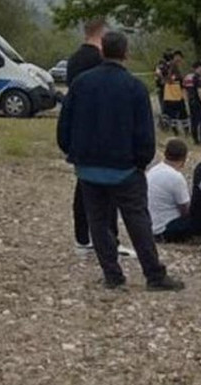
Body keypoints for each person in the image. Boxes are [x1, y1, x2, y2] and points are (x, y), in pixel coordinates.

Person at [58, 31, 184, 292]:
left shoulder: (81, 83)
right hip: (125, 168)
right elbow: (145, 133)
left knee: (98, 222)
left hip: (88, 167)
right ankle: (154, 275)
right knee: (138, 221)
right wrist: (141, 162)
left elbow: (64, 125)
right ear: (126, 53)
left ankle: (112, 275)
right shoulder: (135, 87)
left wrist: (74, 153)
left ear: (102, 51)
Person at [65, 18, 134, 258]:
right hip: (104, 132)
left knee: (83, 187)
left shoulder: (73, 60)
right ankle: (108, 239)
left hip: (81, 134)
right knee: (108, 192)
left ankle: (83, 237)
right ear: (102, 35)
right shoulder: (99, 61)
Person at [148, 139, 191, 243]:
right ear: (184, 158)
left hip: (150, 225)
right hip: (165, 228)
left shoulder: (152, 171)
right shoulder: (176, 177)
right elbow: (185, 209)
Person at [162, 50, 188, 134]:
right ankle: (178, 130)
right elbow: (169, 78)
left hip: (176, 92)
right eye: (177, 57)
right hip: (173, 92)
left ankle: (182, 129)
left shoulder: (177, 66)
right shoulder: (171, 66)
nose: (179, 59)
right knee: (177, 112)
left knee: (179, 112)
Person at [184, 61, 201, 145]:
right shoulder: (198, 78)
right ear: (199, 68)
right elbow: (200, 91)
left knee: (194, 120)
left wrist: (187, 100)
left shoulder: (189, 77)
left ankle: (195, 138)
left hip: (192, 101)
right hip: (198, 102)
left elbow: (185, 90)